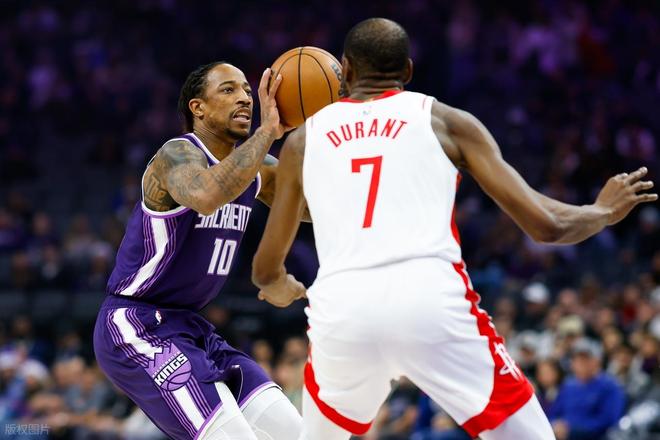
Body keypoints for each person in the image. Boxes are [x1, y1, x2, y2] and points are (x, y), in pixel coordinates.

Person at [250, 17, 657, 440]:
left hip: (343, 312)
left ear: (346, 71)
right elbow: (548, 226)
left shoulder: (303, 141)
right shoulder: (445, 121)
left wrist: (280, 286)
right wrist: (601, 211)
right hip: (428, 299)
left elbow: (265, 269)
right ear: (408, 71)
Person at [93, 62, 304, 440]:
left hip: (193, 328)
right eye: (228, 89)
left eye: (247, 90)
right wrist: (268, 132)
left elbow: (318, 207)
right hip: (136, 324)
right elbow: (206, 195)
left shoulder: (258, 168)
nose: (245, 98)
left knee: (297, 432)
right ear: (198, 108)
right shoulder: (176, 155)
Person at [549, 339, 625, 440]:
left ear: (597, 361)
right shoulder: (568, 386)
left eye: (585, 359)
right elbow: (554, 413)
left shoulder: (610, 386)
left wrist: (572, 430)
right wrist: (555, 425)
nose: (580, 363)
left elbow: (609, 420)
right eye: (577, 359)